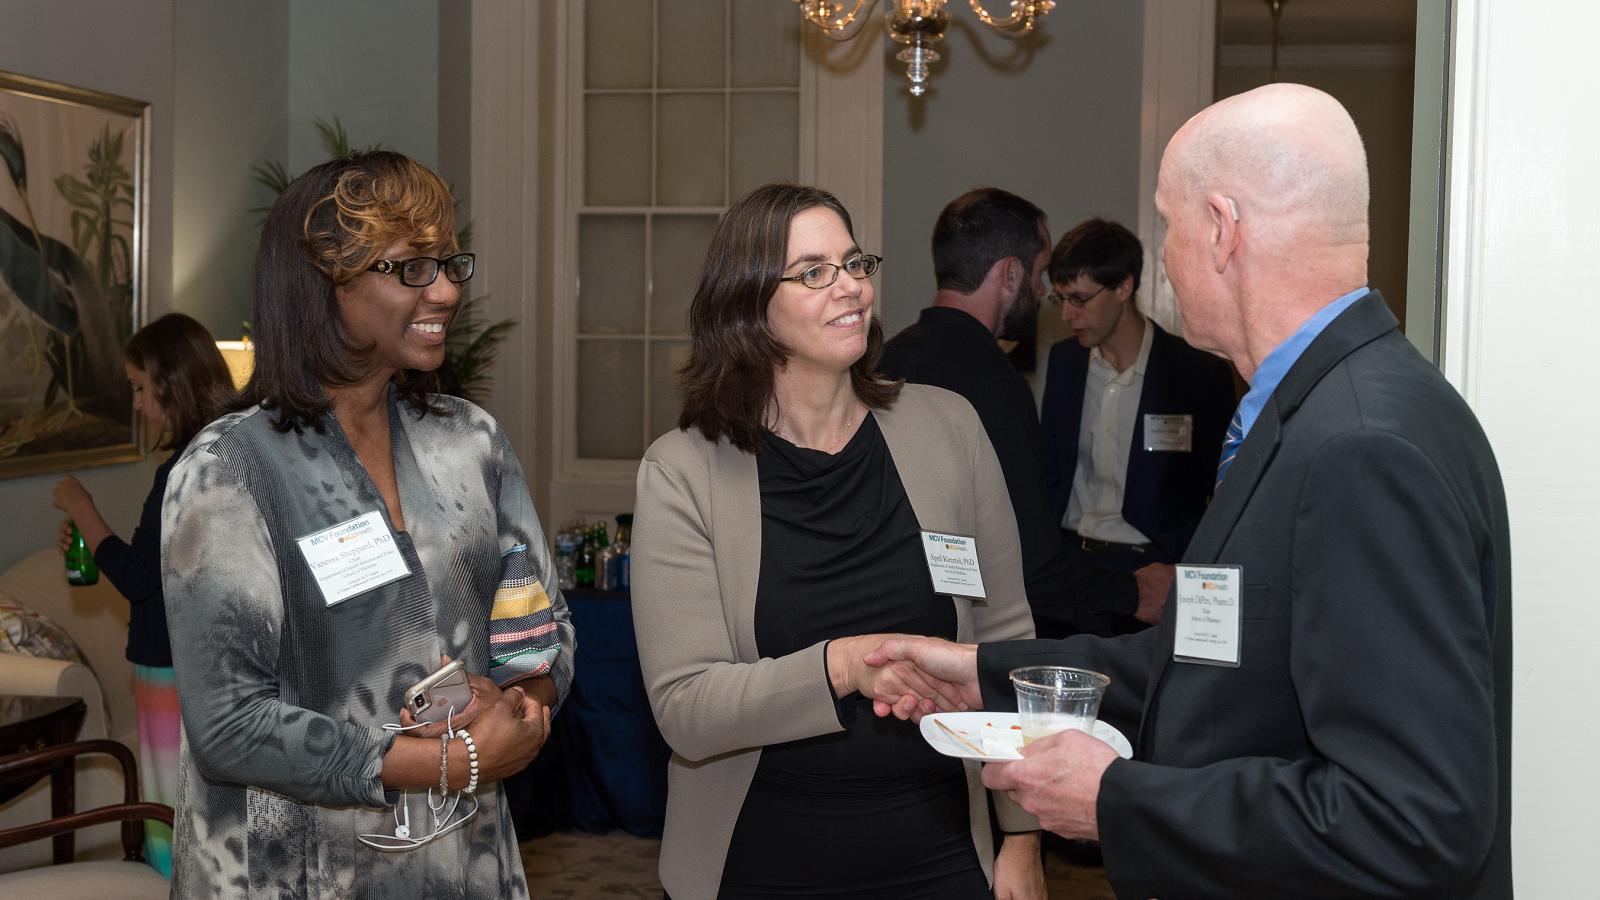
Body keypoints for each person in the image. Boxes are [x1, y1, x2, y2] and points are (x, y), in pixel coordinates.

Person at [867, 83, 1513, 898]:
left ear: (1220, 228)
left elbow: (1415, 820)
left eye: (1169, 225)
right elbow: (1213, 665)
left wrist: (1118, 800)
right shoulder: (1328, 407)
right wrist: (983, 672)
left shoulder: (1359, 444)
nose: (1164, 255)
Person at [159, 151, 573, 898]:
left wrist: (523, 707)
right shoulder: (231, 469)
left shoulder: (470, 441)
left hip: (460, 859)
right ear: (323, 286)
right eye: (410, 268)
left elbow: (542, 625)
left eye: (447, 263)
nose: (445, 289)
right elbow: (229, 727)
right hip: (291, 871)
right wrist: (454, 762)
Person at [631, 183, 1043, 900]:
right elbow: (688, 710)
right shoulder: (683, 470)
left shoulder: (947, 429)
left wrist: (1022, 837)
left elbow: (1007, 639)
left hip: (941, 853)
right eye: (814, 272)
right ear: (749, 305)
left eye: (855, 263)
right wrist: (842, 666)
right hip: (758, 862)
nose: (851, 287)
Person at [878, 189, 1170, 639]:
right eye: (1038, 274)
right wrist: (1133, 594)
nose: (1042, 291)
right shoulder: (992, 383)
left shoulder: (882, 361)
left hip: (887, 621)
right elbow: (1028, 562)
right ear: (1011, 273)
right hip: (972, 635)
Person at [49, 311, 234, 877]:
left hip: (168, 661)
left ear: (170, 381)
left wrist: (83, 509)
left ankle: (172, 885)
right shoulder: (229, 455)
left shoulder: (178, 473)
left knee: (167, 801)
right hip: (217, 655)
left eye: (137, 386)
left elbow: (137, 577)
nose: (134, 401)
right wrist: (94, 540)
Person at [1039, 218, 1235, 636]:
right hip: (1076, 572)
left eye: (1079, 299)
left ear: (1124, 288)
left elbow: (1223, 494)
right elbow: (1051, 472)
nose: (1067, 314)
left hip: (1155, 574)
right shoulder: (1065, 363)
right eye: (1060, 299)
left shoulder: (1197, 373)